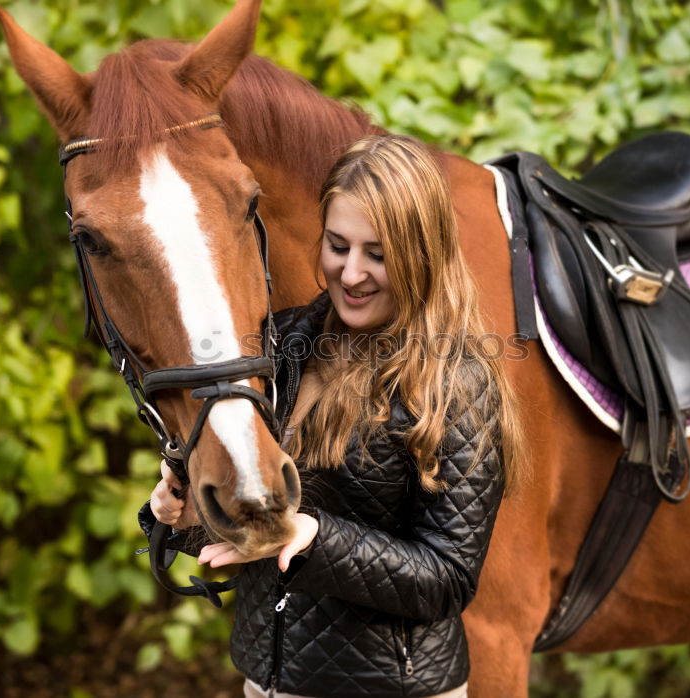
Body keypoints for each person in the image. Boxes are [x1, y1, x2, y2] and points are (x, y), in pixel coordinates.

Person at [149, 134, 524, 698]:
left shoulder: (456, 383)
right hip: (269, 680)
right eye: (338, 245)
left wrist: (313, 537)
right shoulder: (287, 343)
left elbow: (447, 578)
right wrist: (182, 517)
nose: (350, 274)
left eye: (377, 253)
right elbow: (256, 513)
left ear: (423, 252)